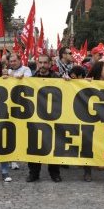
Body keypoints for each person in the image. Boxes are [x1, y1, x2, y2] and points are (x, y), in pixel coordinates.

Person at [26, 54, 63, 183]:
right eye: (40, 63)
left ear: (50, 64)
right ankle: (34, 173)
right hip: (36, 118)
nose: (42, 65)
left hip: (53, 118)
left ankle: (54, 173)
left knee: (53, 145)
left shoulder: (58, 78)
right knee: (34, 146)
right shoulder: (31, 79)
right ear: (37, 63)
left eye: (45, 63)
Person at [82, 61, 104, 182]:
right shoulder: (88, 81)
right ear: (99, 70)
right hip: (90, 118)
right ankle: (87, 171)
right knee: (89, 143)